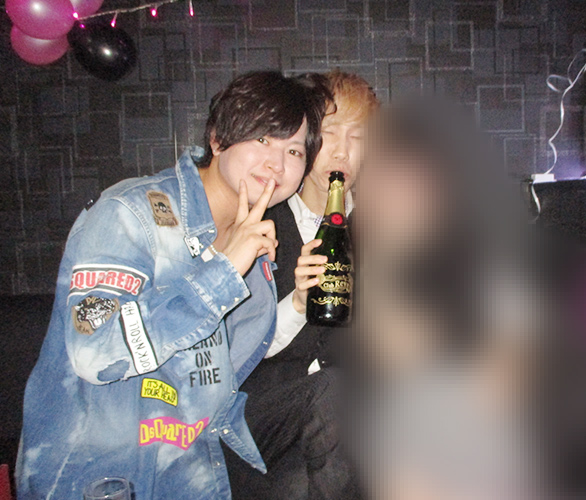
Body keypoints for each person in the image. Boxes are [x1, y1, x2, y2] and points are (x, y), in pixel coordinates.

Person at [15, 71, 328, 500]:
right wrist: (222, 272)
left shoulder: (254, 251)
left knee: (341, 398)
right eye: (262, 139)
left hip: (194, 461)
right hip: (106, 476)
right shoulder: (131, 213)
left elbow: (222, 364)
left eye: (293, 150)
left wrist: (298, 302)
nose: (277, 163)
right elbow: (95, 352)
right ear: (217, 139)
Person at [224, 70, 379, 499]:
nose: (343, 152)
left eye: (358, 137)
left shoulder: (381, 225)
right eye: (330, 134)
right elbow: (232, 349)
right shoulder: (259, 221)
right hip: (264, 418)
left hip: (347, 424)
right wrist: (296, 303)